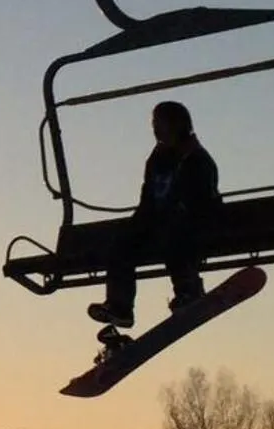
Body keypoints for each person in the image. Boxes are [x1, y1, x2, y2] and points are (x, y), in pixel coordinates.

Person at [88, 99, 219, 332]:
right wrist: (139, 223)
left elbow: (201, 200)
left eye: (160, 123)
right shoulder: (157, 159)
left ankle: (189, 290)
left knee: (175, 235)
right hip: (159, 221)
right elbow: (148, 198)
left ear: (178, 125)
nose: (155, 129)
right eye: (154, 123)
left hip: (192, 221)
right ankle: (120, 305)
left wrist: (175, 213)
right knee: (123, 240)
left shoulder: (197, 158)